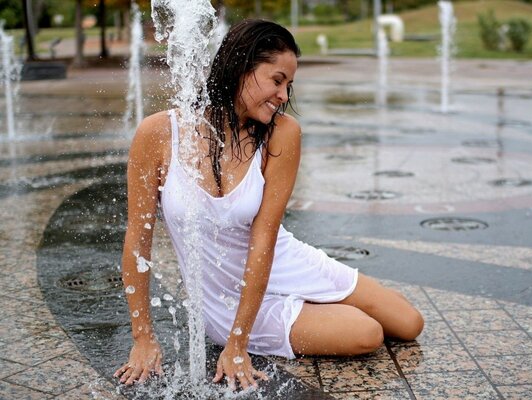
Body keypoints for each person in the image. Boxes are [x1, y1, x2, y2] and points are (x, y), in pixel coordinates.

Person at [114, 19, 423, 391]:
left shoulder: (282, 133)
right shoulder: (158, 134)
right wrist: (144, 337)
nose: (283, 95)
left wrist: (241, 343)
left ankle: (306, 304)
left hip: (280, 262)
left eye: (288, 85)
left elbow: (265, 239)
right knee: (366, 333)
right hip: (224, 299)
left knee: (409, 323)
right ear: (241, 67)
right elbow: (138, 240)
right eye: (277, 80)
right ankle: (309, 313)